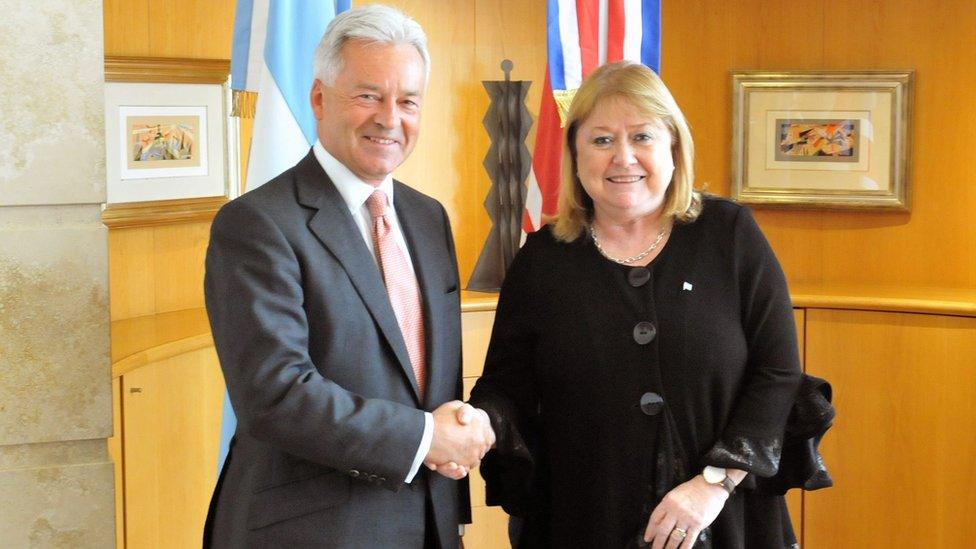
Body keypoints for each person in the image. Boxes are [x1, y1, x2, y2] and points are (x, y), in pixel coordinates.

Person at [468, 61, 804, 548]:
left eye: (642, 137)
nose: (622, 158)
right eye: (601, 140)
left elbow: (777, 372)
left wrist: (713, 484)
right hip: (583, 521)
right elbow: (506, 388)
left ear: (673, 147)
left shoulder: (729, 235)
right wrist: (476, 423)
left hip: (724, 517)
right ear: (575, 155)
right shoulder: (541, 260)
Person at [203, 6, 494, 548]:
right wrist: (428, 438)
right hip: (311, 530)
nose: (389, 118)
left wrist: (451, 442)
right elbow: (276, 394)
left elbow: (427, 379)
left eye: (407, 101)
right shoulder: (257, 224)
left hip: (426, 523)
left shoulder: (429, 219)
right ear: (318, 98)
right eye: (367, 95)